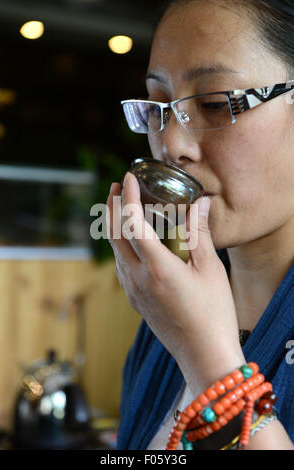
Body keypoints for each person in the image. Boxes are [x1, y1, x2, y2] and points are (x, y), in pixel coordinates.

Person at [107, 0, 294, 450]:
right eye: (158, 106)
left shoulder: (179, 317)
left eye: (216, 102)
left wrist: (207, 360)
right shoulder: (170, 305)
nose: (170, 143)